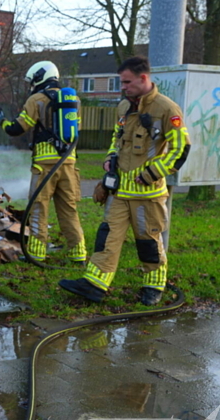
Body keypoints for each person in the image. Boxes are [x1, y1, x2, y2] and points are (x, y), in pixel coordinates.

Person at [60, 55, 191, 306]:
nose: (123, 87)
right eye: (122, 82)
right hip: (119, 192)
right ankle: (95, 284)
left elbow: (180, 148)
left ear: (144, 78)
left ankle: (154, 286)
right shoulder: (123, 107)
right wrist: (110, 158)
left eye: (127, 82)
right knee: (107, 237)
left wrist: (151, 174)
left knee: (148, 243)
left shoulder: (166, 109)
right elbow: (116, 138)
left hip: (148, 195)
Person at [0, 61, 86, 264]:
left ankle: (37, 253)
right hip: (69, 162)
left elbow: (16, 129)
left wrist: (1, 120)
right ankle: (78, 254)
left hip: (45, 164)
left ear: (40, 77)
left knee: (39, 207)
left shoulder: (36, 100)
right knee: (68, 209)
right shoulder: (74, 101)